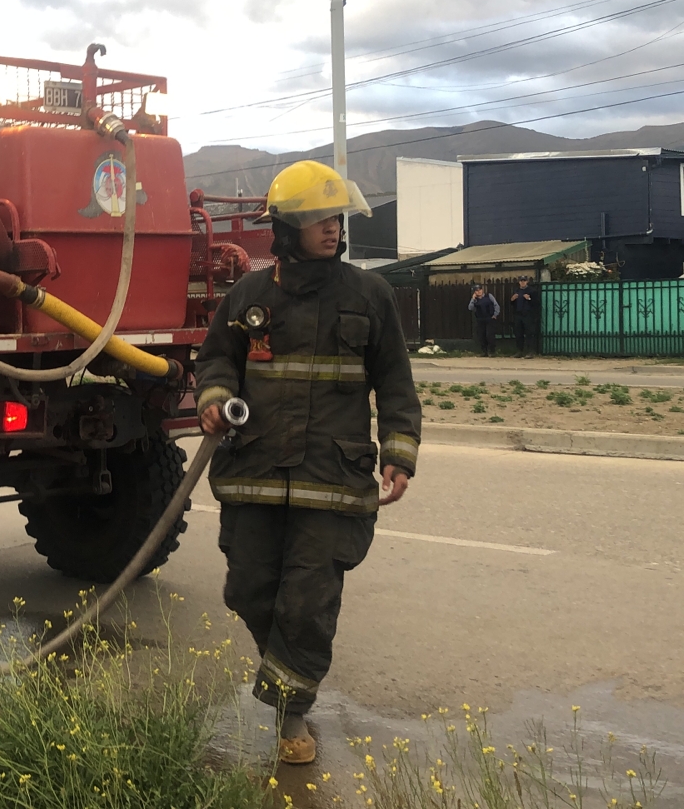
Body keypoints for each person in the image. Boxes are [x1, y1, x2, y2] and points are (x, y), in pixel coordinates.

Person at [196, 159, 422, 766]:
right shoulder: (249, 297)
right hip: (254, 474)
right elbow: (215, 359)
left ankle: (292, 713)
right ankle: (286, 677)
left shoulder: (370, 295)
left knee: (308, 601)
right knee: (248, 588)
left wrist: (400, 453)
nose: (333, 228)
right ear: (288, 228)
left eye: (337, 218)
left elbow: (395, 382)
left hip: (333, 479)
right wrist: (215, 400)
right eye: (319, 218)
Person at [509, 275, 540, 358]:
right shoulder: (516, 290)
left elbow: (537, 303)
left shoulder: (532, 291)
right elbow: (512, 304)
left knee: (529, 333)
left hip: (528, 315)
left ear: (527, 281)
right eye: (521, 281)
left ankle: (530, 352)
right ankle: (520, 351)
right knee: (518, 334)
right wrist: (512, 299)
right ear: (519, 282)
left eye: (524, 280)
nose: (522, 282)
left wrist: (529, 299)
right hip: (518, 315)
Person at [469, 283, 500, 357]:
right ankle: (484, 351)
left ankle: (492, 351)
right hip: (480, 319)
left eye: (480, 290)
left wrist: (495, 315)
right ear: (474, 292)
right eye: (477, 290)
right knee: (481, 336)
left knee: (490, 335)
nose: (479, 291)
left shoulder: (489, 296)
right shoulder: (475, 300)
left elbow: (496, 305)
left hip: (490, 318)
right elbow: (470, 308)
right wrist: (473, 299)